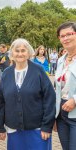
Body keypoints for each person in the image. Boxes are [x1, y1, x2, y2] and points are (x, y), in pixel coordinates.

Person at [0, 38, 56, 150]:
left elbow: (50, 98)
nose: (20, 53)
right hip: (14, 130)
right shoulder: (6, 74)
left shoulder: (39, 71)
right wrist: (0, 127)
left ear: (29, 53)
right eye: (17, 51)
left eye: (23, 50)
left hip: (38, 130)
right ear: (12, 53)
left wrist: (47, 126)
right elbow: (1, 102)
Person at [55, 22, 76, 150]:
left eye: (69, 34)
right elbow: (57, 88)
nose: (65, 38)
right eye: (62, 36)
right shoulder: (61, 60)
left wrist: (74, 99)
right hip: (62, 115)